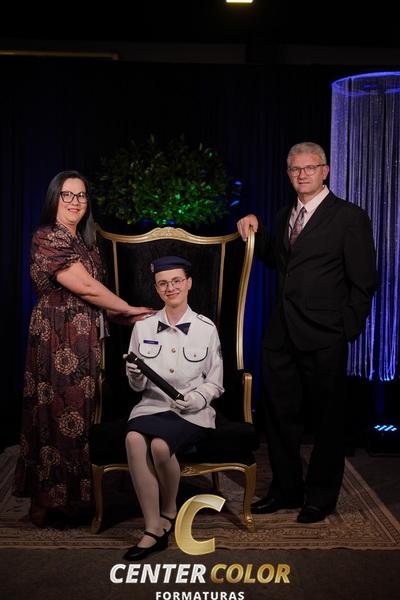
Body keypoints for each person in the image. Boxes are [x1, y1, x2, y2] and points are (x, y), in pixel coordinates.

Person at [237, 142, 378, 524]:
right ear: (288, 174)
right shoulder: (285, 214)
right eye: (295, 169)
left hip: (325, 335)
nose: (302, 174)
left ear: (324, 171)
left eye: (309, 168)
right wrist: (255, 228)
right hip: (281, 334)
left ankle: (320, 497)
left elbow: (364, 281)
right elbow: (279, 259)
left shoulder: (349, 217)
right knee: (279, 416)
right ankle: (285, 489)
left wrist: (346, 329)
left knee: (328, 420)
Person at [13, 170, 154, 528]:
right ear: (54, 199)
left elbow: (93, 295)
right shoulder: (48, 236)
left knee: (79, 415)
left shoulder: (87, 242)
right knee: (54, 412)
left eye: (81, 195)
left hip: (86, 336)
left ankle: (70, 497)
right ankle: (45, 498)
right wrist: (126, 307)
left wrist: (123, 317)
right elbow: (86, 287)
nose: (75, 202)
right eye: (67, 194)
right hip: (57, 335)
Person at [123, 255, 224, 560]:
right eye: (163, 283)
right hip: (151, 406)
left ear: (188, 283)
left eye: (177, 281)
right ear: (156, 288)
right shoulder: (143, 327)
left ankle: (169, 510)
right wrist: (134, 375)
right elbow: (137, 387)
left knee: (159, 446)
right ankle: (153, 527)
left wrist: (197, 399)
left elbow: (215, 382)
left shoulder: (206, 328)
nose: (171, 288)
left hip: (191, 411)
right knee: (134, 438)